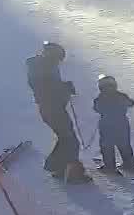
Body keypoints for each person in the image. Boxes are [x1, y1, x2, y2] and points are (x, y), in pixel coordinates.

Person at [25, 41, 88, 182]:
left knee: (66, 138)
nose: (58, 62)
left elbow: (50, 86)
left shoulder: (43, 66)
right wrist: (63, 89)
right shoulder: (43, 67)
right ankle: (71, 174)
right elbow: (46, 89)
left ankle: (58, 168)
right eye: (58, 59)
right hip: (51, 109)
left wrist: (63, 87)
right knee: (70, 141)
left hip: (52, 108)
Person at [91, 75, 134, 174]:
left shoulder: (100, 98)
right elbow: (131, 103)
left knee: (107, 146)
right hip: (122, 123)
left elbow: (97, 108)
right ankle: (129, 164)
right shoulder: (121, 96)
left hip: (106, 124)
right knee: (124, 145)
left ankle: (110, 166)